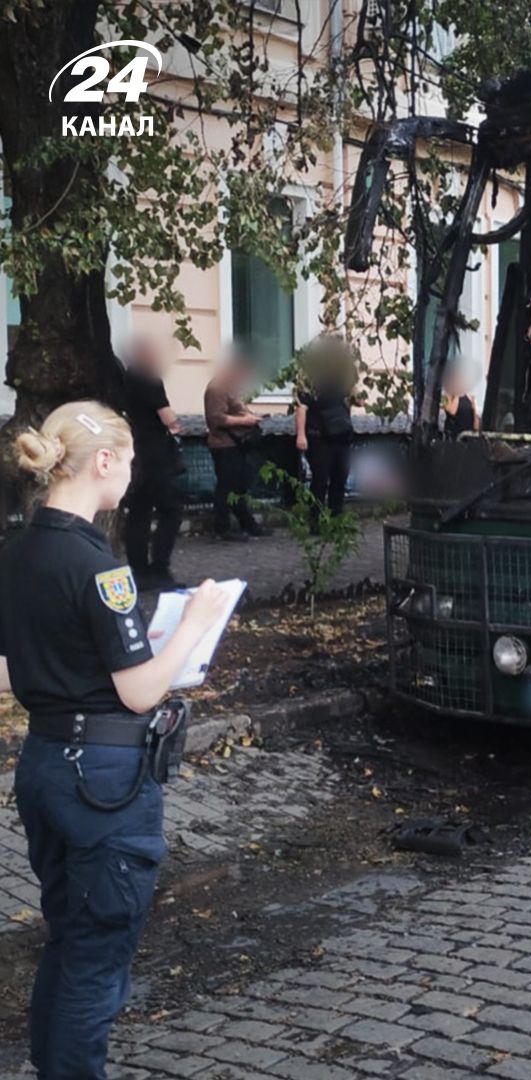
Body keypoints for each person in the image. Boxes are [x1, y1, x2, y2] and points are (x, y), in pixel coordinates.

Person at [0, 401, 227, 1080]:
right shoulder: (101, 567)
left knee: (71, 940)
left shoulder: (15, 551)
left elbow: (9, 671)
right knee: (96, 957)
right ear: (104, 463)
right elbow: (137, 692)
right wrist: (194, 623)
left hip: (43, 764)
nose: (130, 477)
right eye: (128, 463)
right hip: (102, 782)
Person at [118, 338, 185, 590]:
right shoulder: (151, 381)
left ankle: (139, 569)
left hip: (135, 453)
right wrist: (176, 423)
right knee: (171, 510)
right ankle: (159, 567)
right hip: (156, 455)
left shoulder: (125, 379)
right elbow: (168, 419)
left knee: (139, 512)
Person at [202, 347, 268, 541]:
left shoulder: (231, 387)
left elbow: (235, 411)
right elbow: (216, 418)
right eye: (243, 372)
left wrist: (250, 417)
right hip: (224, 445)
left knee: (238, 487)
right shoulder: (217, 388)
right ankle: (222, 527)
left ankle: (247, 524)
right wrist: (245, 421)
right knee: (226, 487)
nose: (245, 376)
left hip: (236, 444)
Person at [294, 334, 357, 524]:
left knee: (339, 480)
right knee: (320, 481)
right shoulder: (312, 375)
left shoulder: (345, 374)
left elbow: (356, 399)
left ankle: (336, 521)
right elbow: (301, 407)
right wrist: (301, 435)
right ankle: (316, 521)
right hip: (319, 437)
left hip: (342, 436)